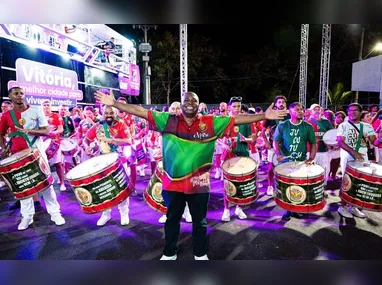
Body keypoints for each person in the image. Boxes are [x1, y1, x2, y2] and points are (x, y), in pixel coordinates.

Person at [94, 89, 288, 260]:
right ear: (182, 103)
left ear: (198, 105)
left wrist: (264, 115)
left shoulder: (210, 122)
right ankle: (170, 252)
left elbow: (236, 119)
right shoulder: (167, 120)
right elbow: (142, 112)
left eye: (194, 100)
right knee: (172, 220)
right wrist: (115, 104)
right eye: (186, 100)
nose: (190, 103)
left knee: (199, 221)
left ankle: (200, 252)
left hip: (199, 184)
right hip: (172, 183)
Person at [0, 87, 65, 230]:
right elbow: (1, 133)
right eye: (16, 94)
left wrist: (29, 131)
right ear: (10, 96)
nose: (19, 96)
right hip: (17, 156)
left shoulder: (36, 110)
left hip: (37, 152)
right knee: (24, 186)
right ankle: (27, 216)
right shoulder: (7, 115)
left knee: (46, 182)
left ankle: (55, 213)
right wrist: (4, 148)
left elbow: (46, 131)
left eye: (21, 93)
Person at [83, 105, 132, 226]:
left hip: (119, 161)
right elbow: (86, 140)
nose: (109, 115)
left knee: (122, 188)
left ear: (115, 113)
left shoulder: (121, 124)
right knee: (104, 188)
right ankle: (106, 214)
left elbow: (128, 141)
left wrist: (112, 140)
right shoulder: (98, 126)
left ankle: (124, 213)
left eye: (111, 113)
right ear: (102, 113)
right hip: (102, 162)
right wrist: (86, 147)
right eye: (106, 113)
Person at [273, 102, 317, 221]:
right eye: (297, 109)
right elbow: (275, 141)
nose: (301, 111)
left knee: (298, 185)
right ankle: (288, 209)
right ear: (290, 112)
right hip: (286, 161)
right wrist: (278, 154)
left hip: (301, 161)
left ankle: (295, 209)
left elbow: (313, 143)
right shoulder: (283, 125)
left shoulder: (307, 126)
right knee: (287, 185)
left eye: (302, 109)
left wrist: (311, 158)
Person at [337, 103, 376, 219]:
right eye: (349, 110)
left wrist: (380, 138)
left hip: (363, 157)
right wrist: (354, 152)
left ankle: (352, 206)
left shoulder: (367, 126)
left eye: (355, 110)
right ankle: (342, 207)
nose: (352, 112)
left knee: (359, 181)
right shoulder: (343, 126)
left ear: (360, 112)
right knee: (347, 181)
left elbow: (374, 142)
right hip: (348, 156)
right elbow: (340, 142)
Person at [221, 99, 255, 222]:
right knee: (227, 184)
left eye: (238, 106)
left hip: (243, 155)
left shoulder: (246, 122)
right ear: (229, 107)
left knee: (241, 183)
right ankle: (226, 209)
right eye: (234, 106)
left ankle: (238, 207)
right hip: (229, 155)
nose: (237, 108)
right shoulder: (224, 121)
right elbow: (219, 138)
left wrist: (246, 139)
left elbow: (252, 140)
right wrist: (224, 144)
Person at [262, 95, 291, 196]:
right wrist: (266, 141)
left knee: (285, 166)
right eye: (279, 102)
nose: (281, 104)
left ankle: (282, 186)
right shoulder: (270, 116)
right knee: (271, 167)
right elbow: (262, 131)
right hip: (272, 145)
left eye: (283, 102)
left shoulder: (290, 116)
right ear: (275, 104)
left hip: (286, 146)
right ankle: (270, 186)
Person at [41, 100, 66, 191]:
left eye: (48, 105)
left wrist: (53, 133)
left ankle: (62, 183)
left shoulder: (56, 116)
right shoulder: (39, 117)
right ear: (41, 107)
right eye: (44, 105)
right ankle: (47, 185)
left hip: (54, 143)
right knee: (44, 165)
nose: (46, 106)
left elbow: (61, 129)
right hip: (42, 143)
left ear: (50, 106)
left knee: (58, 164)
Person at [307, 104, 333, 187]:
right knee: (310, 169)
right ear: (311, 111)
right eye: (315, 109)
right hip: (310, 151)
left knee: (324, 168)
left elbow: (331, 134)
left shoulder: (326, 122)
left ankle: (322, 186)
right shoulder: (306, 122)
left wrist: (329, 143)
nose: (317, 111)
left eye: (319, 109)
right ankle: (311, 186)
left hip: (323, 150)